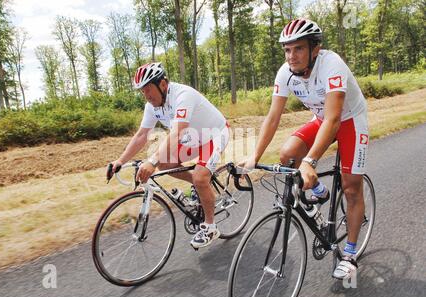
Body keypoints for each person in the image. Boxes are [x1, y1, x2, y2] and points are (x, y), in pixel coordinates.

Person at [242, 18, 369, 280]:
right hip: (321, 119)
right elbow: (273, 117)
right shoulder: (285, 73)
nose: (292, 56)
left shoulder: (331, 65)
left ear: (315, 48)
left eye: (298, 48)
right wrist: (254, 156)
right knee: (288, 155)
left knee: (351, 187)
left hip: (349, 121)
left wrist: (310, 160)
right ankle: (319, 192)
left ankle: (350, 252)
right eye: (287, 50)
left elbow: (334, 120)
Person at [110, 62, 230, 249]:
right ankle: (201, 188)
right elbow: (141, 135)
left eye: (148, 89)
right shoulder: (151, 106)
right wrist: (120, 160)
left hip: (214, 134)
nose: (146, 95)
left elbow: (176, 134)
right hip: (192, 137)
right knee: (164, 163)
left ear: (163, 85)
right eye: (142, 91)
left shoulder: (183, 95)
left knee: (199, 177)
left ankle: (210, 227)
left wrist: (151, 160)